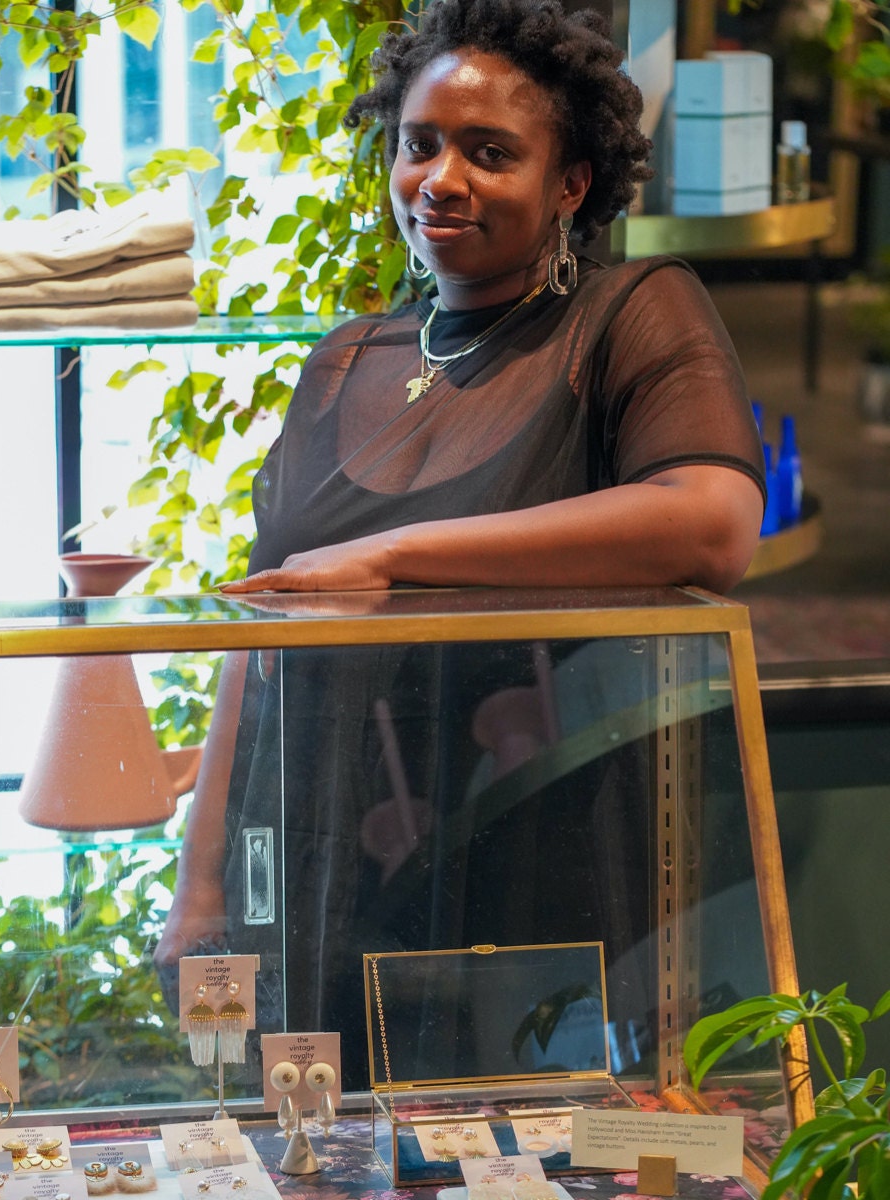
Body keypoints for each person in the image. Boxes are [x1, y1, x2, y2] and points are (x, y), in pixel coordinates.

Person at [154, 0, 766, 1090]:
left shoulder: (628, 315)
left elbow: (712, 521)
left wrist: (399, 556)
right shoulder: (345, 359)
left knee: (531, 1142)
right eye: (420, 145)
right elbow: (257, 632)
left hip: (536, 852)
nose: (441, 180)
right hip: (316, 855)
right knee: (320, 1143)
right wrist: (199, 883)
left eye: (491, 153)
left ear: (569, 183)